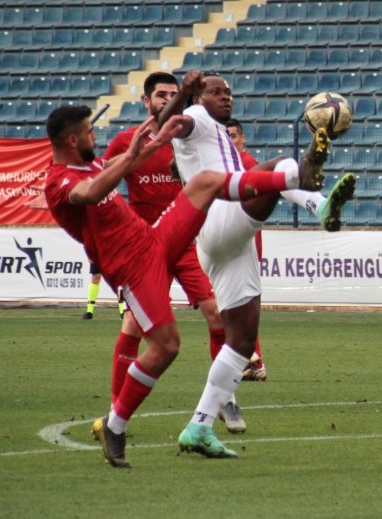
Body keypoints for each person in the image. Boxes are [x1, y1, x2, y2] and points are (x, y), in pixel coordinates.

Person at [44, 105, 324, 468]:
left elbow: (118, 169)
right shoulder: (58, 181)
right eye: (88, 132)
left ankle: (295, 179)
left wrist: (151, 145)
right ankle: (115, 425)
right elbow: (91, 193)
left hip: (152, 239)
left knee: (204, 181)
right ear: (71, 140)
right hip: (131, 268)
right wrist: (130, 155)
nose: (93, 137)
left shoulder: (90, 164)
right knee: (167, 346)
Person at [159, 70, 351, 458]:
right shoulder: (195, 119)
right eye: (216, 92)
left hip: (227, 242)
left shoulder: (224, 139)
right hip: (216, 218)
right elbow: (168, 123)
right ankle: (315, 194)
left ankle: (199, 426)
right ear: (200, 97)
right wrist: (184, 94)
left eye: (228, 92)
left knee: (242, 342)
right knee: (279, 165)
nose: (226, 97)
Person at [97, 72, 246, 433]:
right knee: (133, 324)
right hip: (145, 247)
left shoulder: (185, 135)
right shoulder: (126, 141)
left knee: (216, 314)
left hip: (185, 240)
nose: (166, 99)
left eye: (172, 94)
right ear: (146, 102)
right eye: (160, 95)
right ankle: (118, 409)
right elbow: (103, 179)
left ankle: (225, 399)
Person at [225, 118, 266, 381]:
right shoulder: (226, 164)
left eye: (233, 136)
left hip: (245, 241)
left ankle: (251, 358)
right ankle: (252, 360)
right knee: (235, 302)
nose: (229, 141)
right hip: (232, 240)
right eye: (225, 136)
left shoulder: (248, 165)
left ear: (242, 139)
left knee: (235, 303)